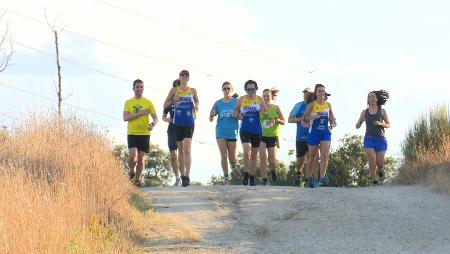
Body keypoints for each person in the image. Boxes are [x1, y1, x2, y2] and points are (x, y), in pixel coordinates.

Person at [163, 70, 199, 187]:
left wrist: (196, 106)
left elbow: (197, 100)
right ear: (179, 77)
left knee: (187, 149)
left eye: (186, 75)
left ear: (188, 78)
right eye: (182, 75)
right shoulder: (174, 90)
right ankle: (182, 174)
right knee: (181, 150)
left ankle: (187, 176)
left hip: (189, 122)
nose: (184, 77)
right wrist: (174, 100)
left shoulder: (193, 90)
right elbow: (165, 104)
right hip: (177, 123)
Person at [123, 79, 158, 187]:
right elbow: (125, 118)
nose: (139, 89)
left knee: (141, 159)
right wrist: (140, 113)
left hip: (144, 134)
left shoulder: (148, 102)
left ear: (143, 89)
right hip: (132, 133)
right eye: (137, 87)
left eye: (141, 87)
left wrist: (152, 124)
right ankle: (131, 170)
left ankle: (137, 180)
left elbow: (155, 118)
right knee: (133, 156)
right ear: (133, 88)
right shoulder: (128, 102)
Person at [233, 80, 267, 186]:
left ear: (256, 89)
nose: (250, 91)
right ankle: (246, 174)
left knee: (254, 154)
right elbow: (234, 112)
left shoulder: (259, 99)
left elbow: (266, 113)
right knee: (246, 150)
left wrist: (261, 110)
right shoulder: (242, 99)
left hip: (257, 129)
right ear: (245, 90)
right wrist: (239, 116)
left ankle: (252, 176)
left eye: (253, 89)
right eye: (248, 89)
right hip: (245, 129)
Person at [303, 84, 336, 188]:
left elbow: (332, 117)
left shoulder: (328, 105)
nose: (322, 93)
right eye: (319, 91)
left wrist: (332, 122)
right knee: (312, 157)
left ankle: (322, 178)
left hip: (325, 133)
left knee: (325, 155)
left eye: (323, 91)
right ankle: (308, 178)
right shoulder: (312, 105)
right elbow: (304, 118)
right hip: (314, 133)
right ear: (316, 93)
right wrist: (311, 116)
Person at [356, 90, 390, 186]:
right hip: (369, 139)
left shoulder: (382, 111)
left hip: (381, 139)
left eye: (373, 96)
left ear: (377, 99)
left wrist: (381, 124)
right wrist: (361, 121)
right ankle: (374, 182)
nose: (371, 98)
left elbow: (388, 124)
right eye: (369, 97)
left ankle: (380, 171)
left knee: (379, 164)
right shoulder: (364, 112)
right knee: (372, 162)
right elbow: (357, 126)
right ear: (368, 100)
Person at [209, 82, 239, 185]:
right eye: (224, 88)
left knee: (232, 159)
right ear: (222, 90)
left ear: (231, 89)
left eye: (228, 88)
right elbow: (210, 118)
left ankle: (234, 168)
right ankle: (226, 177)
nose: (226, 90)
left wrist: (238, 115)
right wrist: (212, 115)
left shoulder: (237, 101)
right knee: (223, 155)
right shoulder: (217, 103)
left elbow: (242, 116)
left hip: (232, 132)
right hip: (220, 131)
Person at [259, 88, 285, 185]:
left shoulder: (276, 108)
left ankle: (273, 170)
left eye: (267, 96)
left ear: (271, 97)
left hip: (273, 136)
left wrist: (275, 120)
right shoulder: (260, 108)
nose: (265, 98)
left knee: (271, 160)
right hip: (262, 136)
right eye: (264, 96)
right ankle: (264, 179)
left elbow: (283, 121)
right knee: (262, 157)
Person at [288, 87, 313, 186]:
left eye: (307, 93)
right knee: (300, 161)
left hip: (313, 136)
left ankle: (308, 179)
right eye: (304, 93)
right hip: (300, 137)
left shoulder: (315, 105)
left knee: (311, 158)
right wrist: (302, 118)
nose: (305, 95)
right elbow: (289, 119)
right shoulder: (299, 105)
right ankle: (298, 174)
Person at [163, 79, 181, 186]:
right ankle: (177, 177)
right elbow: (163, 116)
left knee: (183, 154)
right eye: (175, 88)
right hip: (172, 129)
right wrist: (168, 119)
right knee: (173, 154)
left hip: (184, 128)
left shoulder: (187, 99)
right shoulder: (169, 103)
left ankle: (185, 176)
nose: (177, 89)